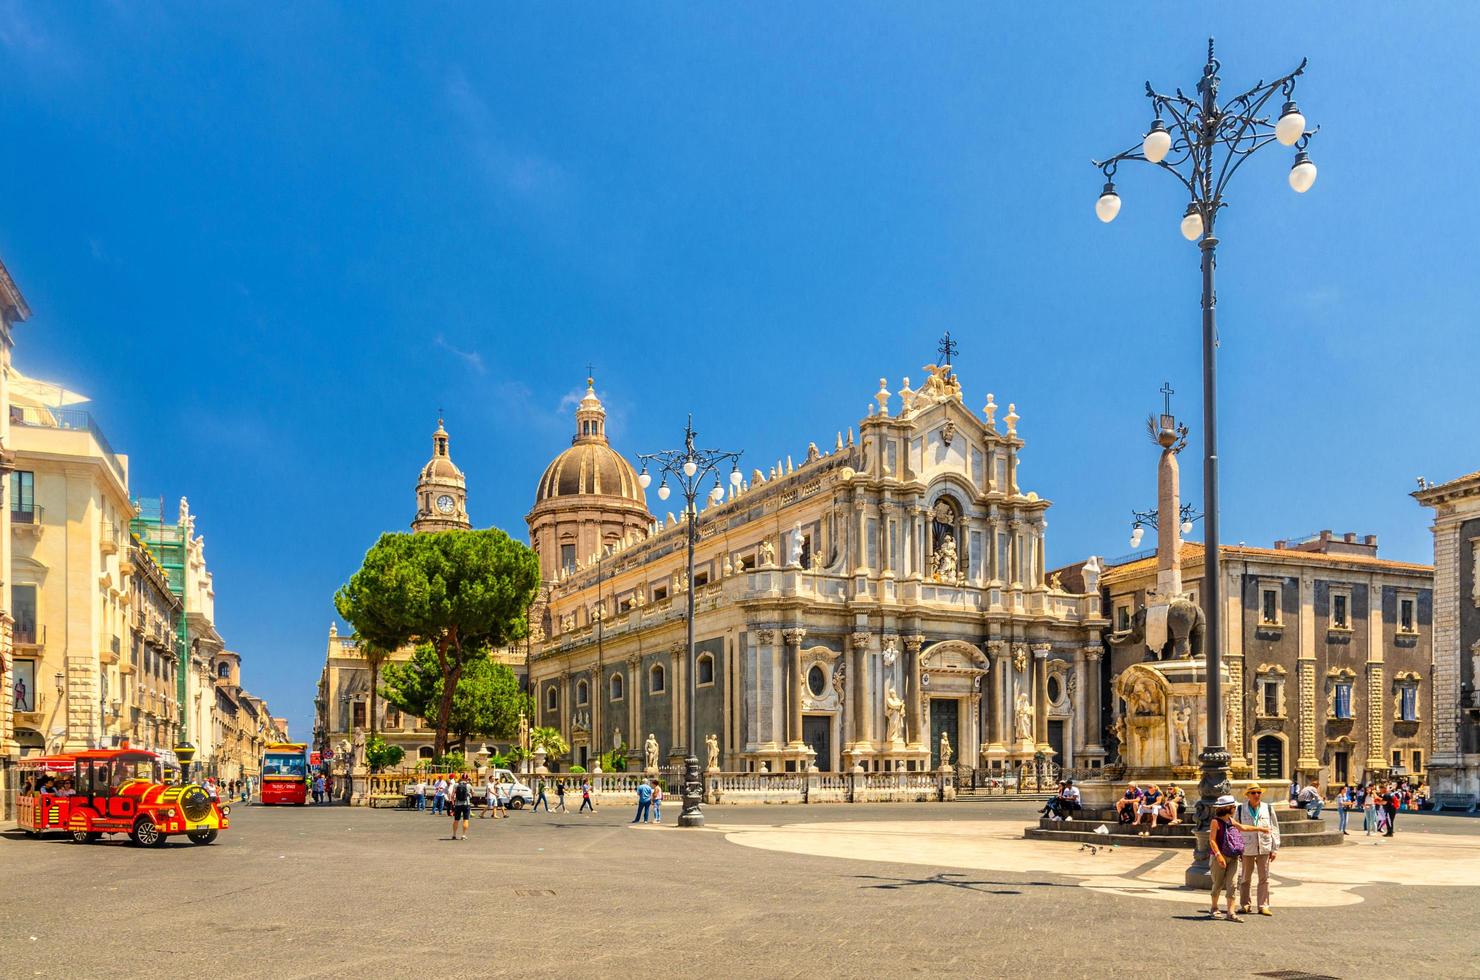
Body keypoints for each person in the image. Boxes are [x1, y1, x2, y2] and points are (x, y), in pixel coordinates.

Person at [1236, 784, 1281, 916]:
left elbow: (1275, 828)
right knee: (1245, 878)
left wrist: (1275, 848)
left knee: (1264, 878)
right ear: (1248, 795)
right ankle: (1245, 904)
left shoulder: (1268, 808)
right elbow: (1236, 830)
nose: (1256, 795)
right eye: (1253, 793)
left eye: (1258, 792)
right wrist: (1238, 848)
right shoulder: (1240, 809)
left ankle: (1263, 906)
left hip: (1264, 846)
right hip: (1247, 847)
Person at [449, 773, 472, 840]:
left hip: (457, 804)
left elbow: (452, 795)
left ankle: (454, 834)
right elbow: (473, 793)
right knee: (465, 820)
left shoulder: (456, 785)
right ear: (467, 778)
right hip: (466, 804)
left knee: (456, 820)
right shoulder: (468, 785)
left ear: (461, 778)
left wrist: (453, 803)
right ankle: (463, 835)